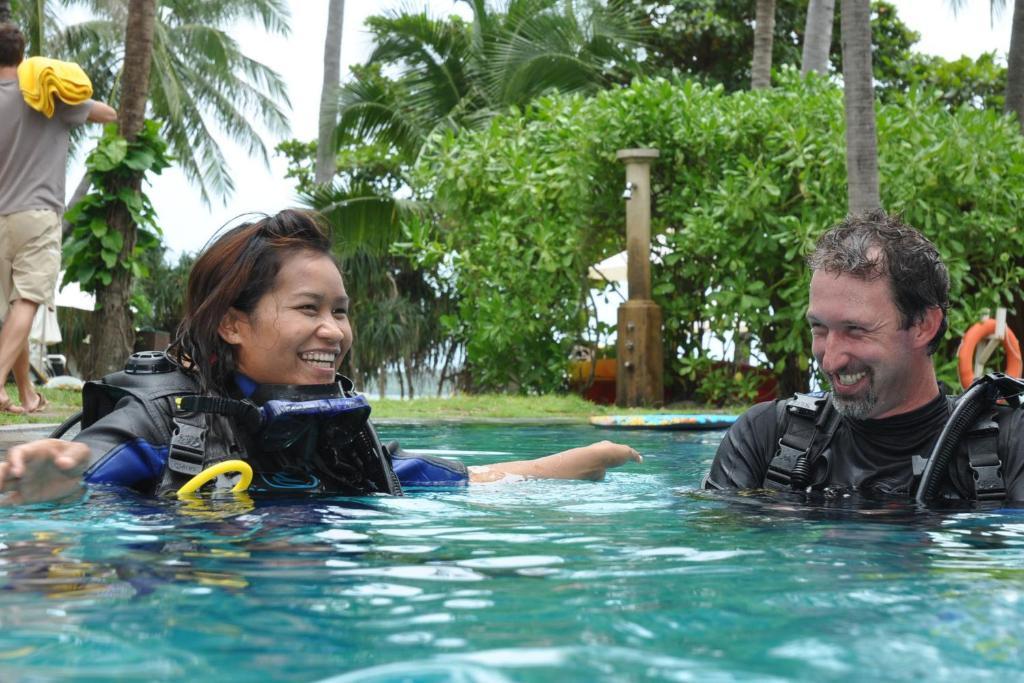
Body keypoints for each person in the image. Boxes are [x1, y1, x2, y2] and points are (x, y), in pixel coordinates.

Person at [0, 209, 641, 505]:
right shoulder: (166, 417)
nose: (334, 331)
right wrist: (52, 478)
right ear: (232, 323)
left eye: (340, 311)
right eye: (309, 309)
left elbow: (468, 482)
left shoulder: (329, 426)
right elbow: (84, 461)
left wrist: (588, 459)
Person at [704, 210, 1024, 503]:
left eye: (855, 330)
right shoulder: (765, 437)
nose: (830, 361)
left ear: (923, 325)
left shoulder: (1010, 447)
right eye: (819, 328)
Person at [0, 22, 117, 414]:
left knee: (12, 309)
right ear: (22, 53)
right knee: (28, 301)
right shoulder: (46, 96)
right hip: (37, 213)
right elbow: (109, 113)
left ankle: (24, 394)